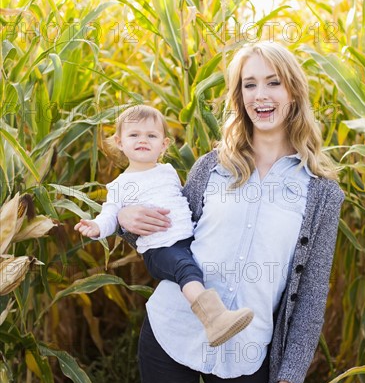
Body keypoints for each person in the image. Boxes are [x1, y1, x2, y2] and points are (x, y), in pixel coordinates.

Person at [118, 41, 345, 383]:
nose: (261, 95)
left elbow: (312, 296)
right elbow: (167, 236)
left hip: (247, 350)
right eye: (249, 85)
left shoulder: (320, 193)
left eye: (273, 82)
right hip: (173, 331)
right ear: (239, 97)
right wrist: (126, 220)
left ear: (293, 92)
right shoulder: (211, 168)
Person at [74, 105, 254, 347]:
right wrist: (96, 227)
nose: (143, 140)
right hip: (159, 249)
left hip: (186, 240)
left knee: (198, 267)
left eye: (151, 135)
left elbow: (184, 203)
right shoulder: (120, 185)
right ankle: (215, 321)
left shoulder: (168, 172)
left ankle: (223, 314)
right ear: (119, 142)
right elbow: (111, 215)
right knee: (185, 269)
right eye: (134, 135)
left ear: (165, 144)